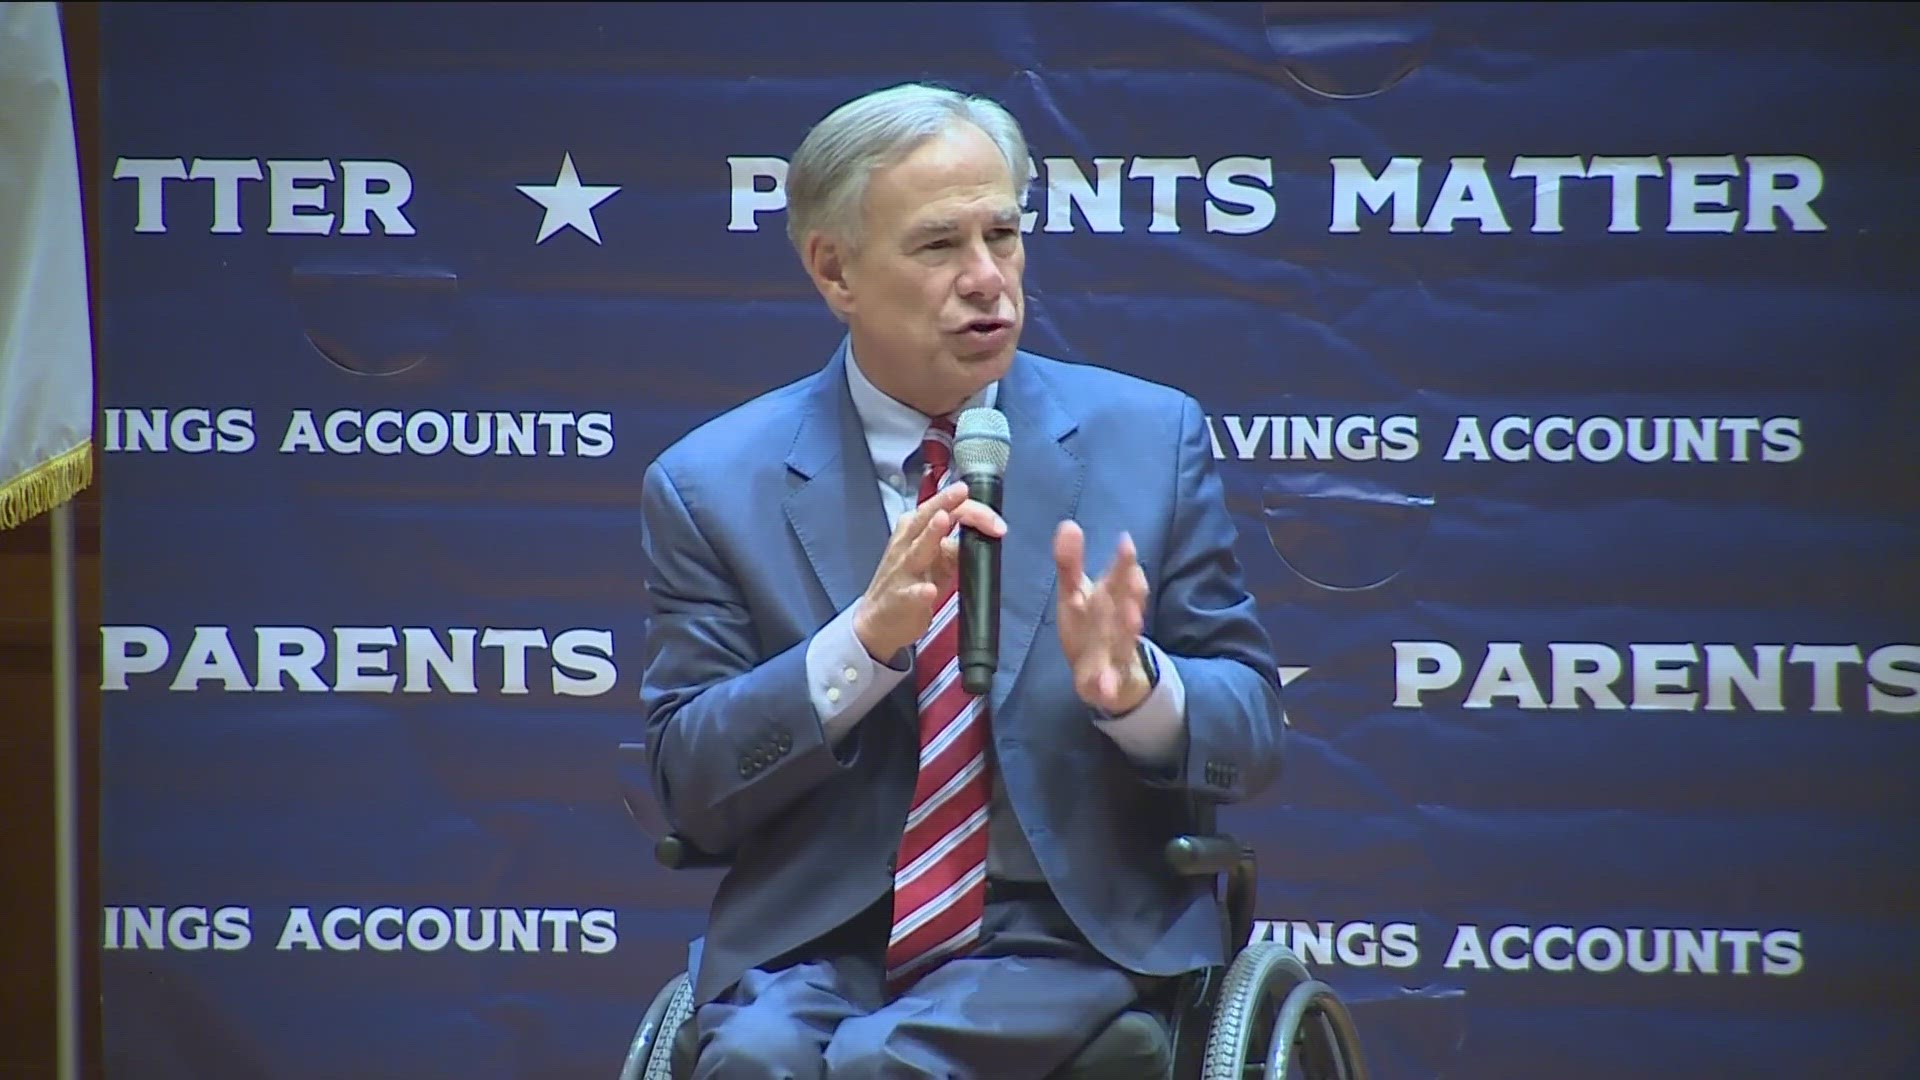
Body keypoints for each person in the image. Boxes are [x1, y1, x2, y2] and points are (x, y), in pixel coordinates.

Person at [637, 81, 1286, 1080]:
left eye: (1006, 235)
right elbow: (692, 786)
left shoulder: (1148, 441)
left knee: (878, 1069)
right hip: (817, 943)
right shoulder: (711, 485)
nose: (989, 280)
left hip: (1071, 937)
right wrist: (855, 651)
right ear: (834, 270)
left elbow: (1250, 733)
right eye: (940, 246)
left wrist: (1140, 692)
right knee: (755, 1064)